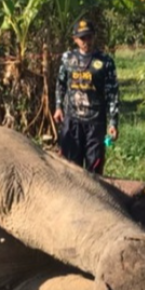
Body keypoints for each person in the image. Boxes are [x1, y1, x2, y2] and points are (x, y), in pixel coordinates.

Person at [53, 18, 119, 174]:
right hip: (72, 121)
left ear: (94, 36)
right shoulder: (67, 58)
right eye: (82, 38)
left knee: (94, 170)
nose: (86, 41)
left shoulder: (105, 62)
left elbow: (113, 94)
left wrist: (113, 123)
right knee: (70, 169)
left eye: (89, 36)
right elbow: (60, 84)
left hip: (95, 123)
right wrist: (58, 107)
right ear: (75, 39)